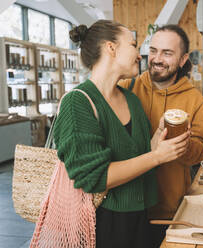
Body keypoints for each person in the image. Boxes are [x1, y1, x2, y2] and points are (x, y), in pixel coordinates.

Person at [53, 20, 190, 248]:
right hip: (102, 225)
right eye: (134, 45)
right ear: (111, 48)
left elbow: (141, 157)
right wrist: (156, 156)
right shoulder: (77, 103)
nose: (140, 55)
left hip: (142, 220)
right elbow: (94, 178)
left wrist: (159, 139)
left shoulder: (131, 100)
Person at [118, 24, 203, 246]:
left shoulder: (195, 99)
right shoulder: (126, 88)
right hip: (125, 207)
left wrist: (182, 145)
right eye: (153, 51)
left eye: (167, 53)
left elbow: (202, 150)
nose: (157, 59)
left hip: (167, 212)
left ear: (182, 59)